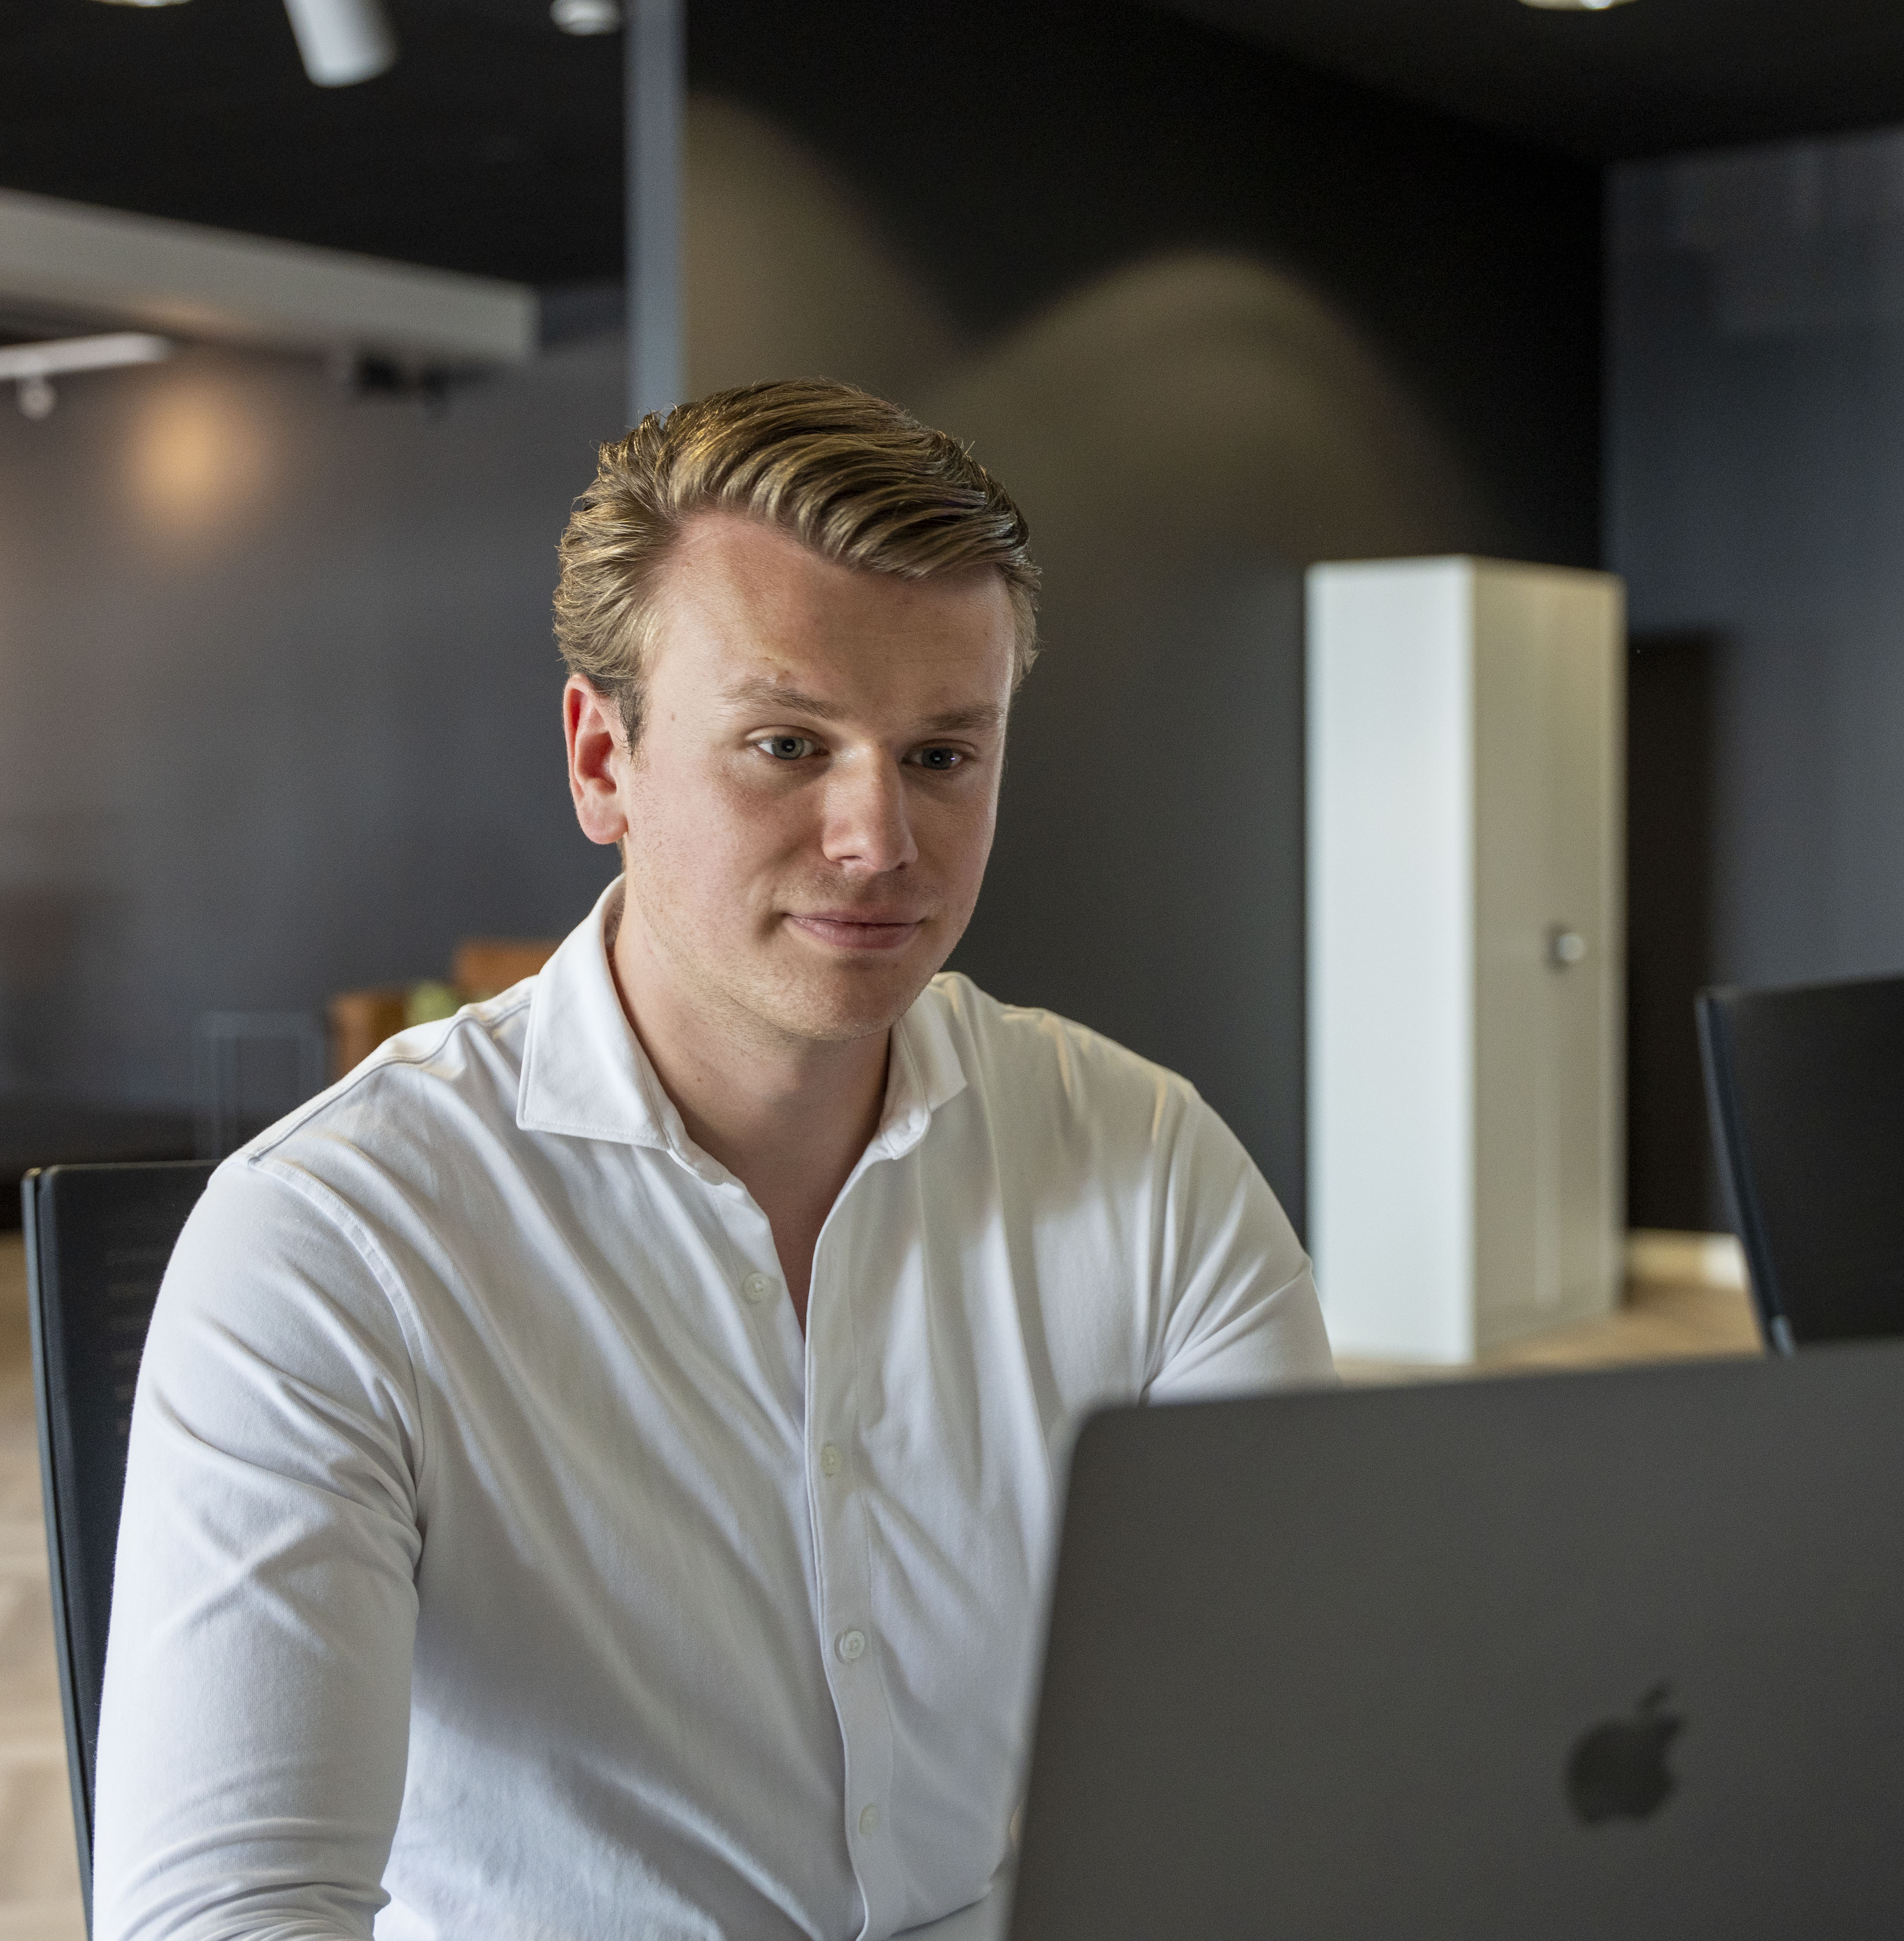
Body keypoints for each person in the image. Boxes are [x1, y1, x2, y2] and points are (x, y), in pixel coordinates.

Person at [94, 380, 1335, 1941]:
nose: (879, 837)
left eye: (944, 756)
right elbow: (231, 1914)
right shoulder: (333, 1244)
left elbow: (1302, 1738)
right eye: (785, 743)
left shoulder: (1147, 1166)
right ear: (602, 760)